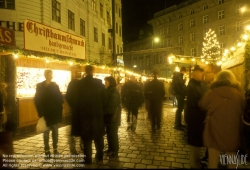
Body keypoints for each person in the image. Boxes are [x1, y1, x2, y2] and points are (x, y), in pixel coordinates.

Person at [199, 70, 245, 169]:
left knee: (213, 157)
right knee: (231, 157)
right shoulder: (238, 94)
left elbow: (202, 105)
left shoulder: (212, 92)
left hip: (214, 129)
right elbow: (243, 108)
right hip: (233, 129)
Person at [75, 65, 105, 164]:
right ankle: (99, 156)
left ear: (85, 71)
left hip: (85, 114)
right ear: (92, 71)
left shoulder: (80, 83)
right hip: (96, 114)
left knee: (87, 138)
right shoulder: (99, 82)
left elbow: (76, 99)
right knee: (98, 136)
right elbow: (104, 98)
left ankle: (87, 158)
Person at [34, 69, 63, 157]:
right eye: (49, 74)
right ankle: (47, 149)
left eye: (51, 74)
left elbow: (59, 97)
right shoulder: (40, 86)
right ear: (46, 75)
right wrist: (40, 112)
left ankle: (55, 148)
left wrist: (59, 109)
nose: (50, 76)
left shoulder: (54, 85)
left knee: (55, 131)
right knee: (46, 132)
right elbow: (37, 99)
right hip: (45, 113)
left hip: (54, 112)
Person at [185, 65, 206, 169]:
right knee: (194, 141)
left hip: (198, 117)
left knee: (197, 141)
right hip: (194, 118)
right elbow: (192, 102)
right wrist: (203, 103)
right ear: (195, 74)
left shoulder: (199, 84)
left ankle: (196, 161)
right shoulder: (191, 86)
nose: (202, 75)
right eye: (200, 73)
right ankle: (194, 164)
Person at [103, 76, 121, 158]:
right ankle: (110, 149)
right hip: (109, 116)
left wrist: (104, 112)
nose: (105, 83)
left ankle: (114, 150)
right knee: (109, 133)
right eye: (105, 81)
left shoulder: (114, 90)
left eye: (106, 81)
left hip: (113, 116)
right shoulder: (109, 89)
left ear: (111, 82)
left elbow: (112, 105)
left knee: (113, 134)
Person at [65, 76, 81, 155]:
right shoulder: (80, 84)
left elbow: (67, 96)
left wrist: (72, 105)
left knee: (73, 130)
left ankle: (73, 147)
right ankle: (81, 145)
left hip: (74, 110)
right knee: (81, 128)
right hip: (81, 110)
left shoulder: (72, 84)